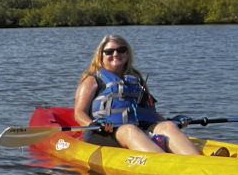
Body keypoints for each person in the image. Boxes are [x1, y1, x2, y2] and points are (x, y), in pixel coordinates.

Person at [72, 34, 201, 155]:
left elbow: (147, 110)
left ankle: (198, 163)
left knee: (168, 126)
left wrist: (170, 121)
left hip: (139, 128)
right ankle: (163, 165)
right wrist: (93, 124)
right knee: (130, 130)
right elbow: (79, 113)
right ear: (101, 56)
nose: (115, 54)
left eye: (121, 50)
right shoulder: (92, 80)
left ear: (127, 54)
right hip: (105, 132)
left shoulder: (136, 78)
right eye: (109, 52)